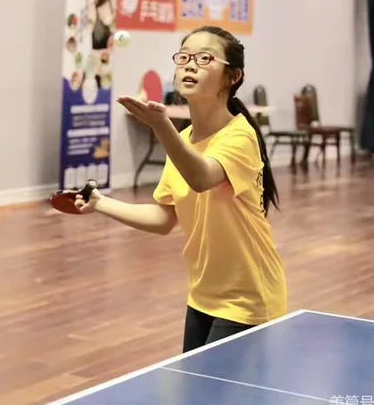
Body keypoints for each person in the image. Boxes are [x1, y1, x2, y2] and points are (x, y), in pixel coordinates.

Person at [73, 26, 287, 352]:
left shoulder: (239, 136)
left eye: (204, 59)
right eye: (184, 57)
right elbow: (163, 218)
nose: (190, 66)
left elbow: (200, 178)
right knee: (197, 384)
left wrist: (161, 125)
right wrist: (100, 203)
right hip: (203, 294)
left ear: (233, 76)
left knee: (221, 386)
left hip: (249, 297)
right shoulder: (184, 141)